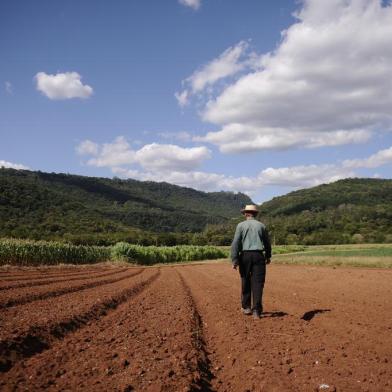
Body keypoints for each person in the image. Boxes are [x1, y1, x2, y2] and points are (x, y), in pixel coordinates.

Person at [231, 204, 272, 319]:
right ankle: (256, 311)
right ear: (255, 214)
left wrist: (234, 260)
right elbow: (267, 243)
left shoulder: (240, 226)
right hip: (259, 255)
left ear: (245, 214)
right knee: (258, 284)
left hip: (245, 256)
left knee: (245, 280)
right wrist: (268, 256)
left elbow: (235, 243)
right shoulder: (261, 226)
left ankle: (246, 307)